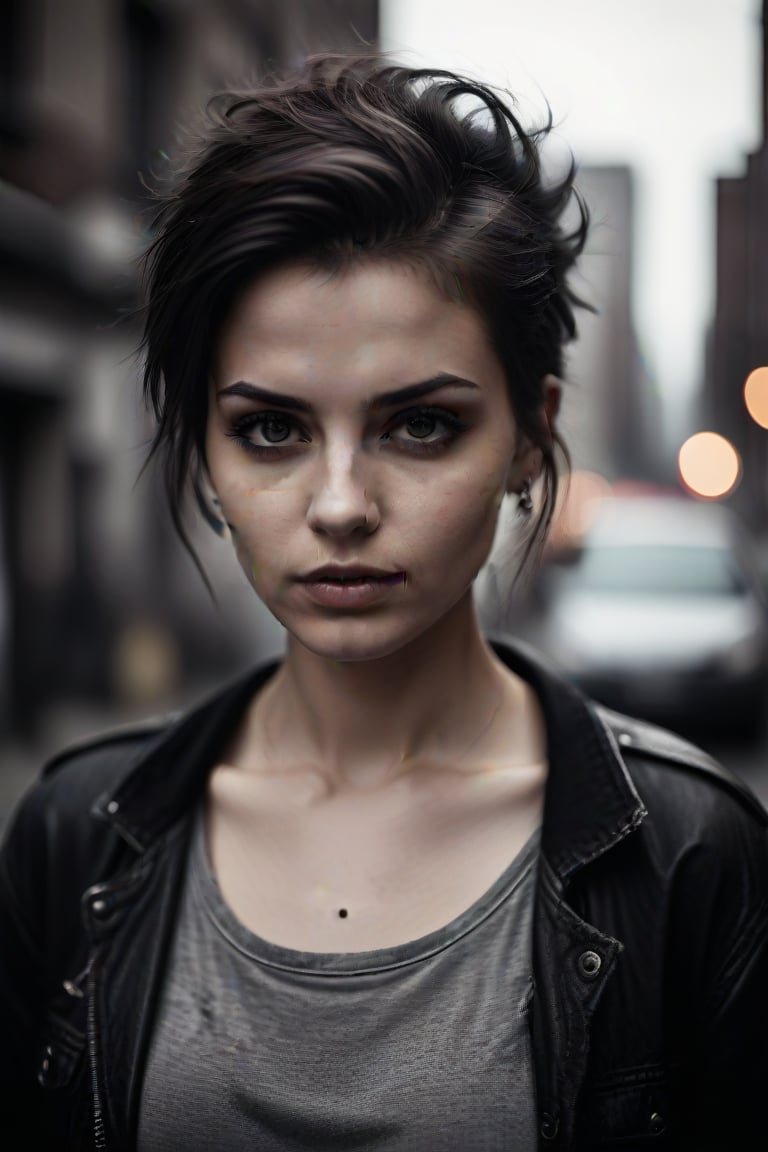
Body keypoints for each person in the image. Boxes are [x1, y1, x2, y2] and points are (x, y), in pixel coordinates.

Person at [1, 52, 766, 1152]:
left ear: (531, 437)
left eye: (421, 425)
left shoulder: (693, 859)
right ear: (206, 459)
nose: (343, 505)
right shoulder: (74, 839)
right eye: (271, 429)